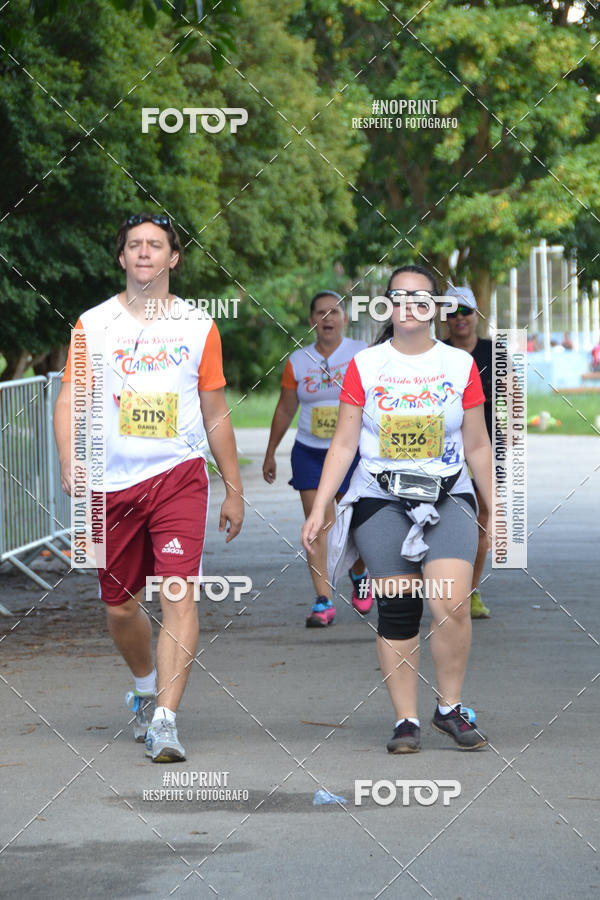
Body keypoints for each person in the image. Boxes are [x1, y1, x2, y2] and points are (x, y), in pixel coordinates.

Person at [53, 213, 244, 762]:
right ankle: (143, 686)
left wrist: (233, 487)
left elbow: (214, 410)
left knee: (178, 593)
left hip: (177, 475)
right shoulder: (93, 325)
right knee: (119, 607)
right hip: (109, 485)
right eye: (134, 245)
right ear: (122, 258)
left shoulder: (197, 325)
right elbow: (68, 399)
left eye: (155, 245)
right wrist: (69, 458)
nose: (144, 252)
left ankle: (165, 720)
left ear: (172, 258)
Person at [302, 265, 492, 753]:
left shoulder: (459, 365)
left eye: (420, 297)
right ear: (387, 305)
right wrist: (320, 507)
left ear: (436, 307)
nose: (409, 305)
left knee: (451, 601)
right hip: (380, 497)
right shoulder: (366, 365)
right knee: (400, 607)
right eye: (399, 297)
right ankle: (406, 720)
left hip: (448, 494)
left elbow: (477, 445)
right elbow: (344, 444)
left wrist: (496, 508)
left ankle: (449, 707)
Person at [263, 291, 371, 627]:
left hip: (353, 452)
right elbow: (285, 408)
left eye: (334, 312)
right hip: (310, 452)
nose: (328, 318)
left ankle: (359, 573)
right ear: (312, 321)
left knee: (355, 524)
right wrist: (270, 452)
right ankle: (323, 599)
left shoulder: (362, 354)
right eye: (321, 313)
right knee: (319, 524)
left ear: (344, 318)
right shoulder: (298, 361)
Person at [443, 285, 492, 619]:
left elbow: (510, 398)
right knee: (445, 519)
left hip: (485, 447)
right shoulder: (437, 352)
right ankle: (444, 586)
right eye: (452, 312)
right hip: (444, 450)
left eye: (466, 311)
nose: (460, 318)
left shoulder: (493, 351)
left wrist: (510, 441)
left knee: (481, 521)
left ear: (476, 314)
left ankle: (471, 591)